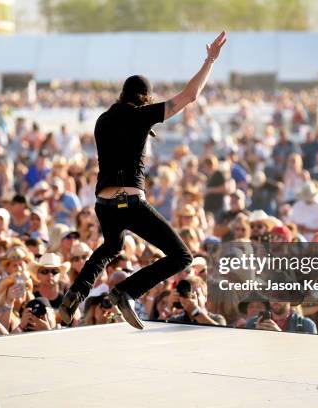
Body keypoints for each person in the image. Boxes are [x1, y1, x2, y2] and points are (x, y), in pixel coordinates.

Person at [59, 31, 227, 330]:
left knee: (111, 246)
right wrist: (210, 60)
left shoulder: (102, 119)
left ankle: (76, 292)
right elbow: (189, 96)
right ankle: (127, 292)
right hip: (130, 202)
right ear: (144, 99)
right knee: (181, 256)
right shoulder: (140, 116)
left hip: (103, 204)